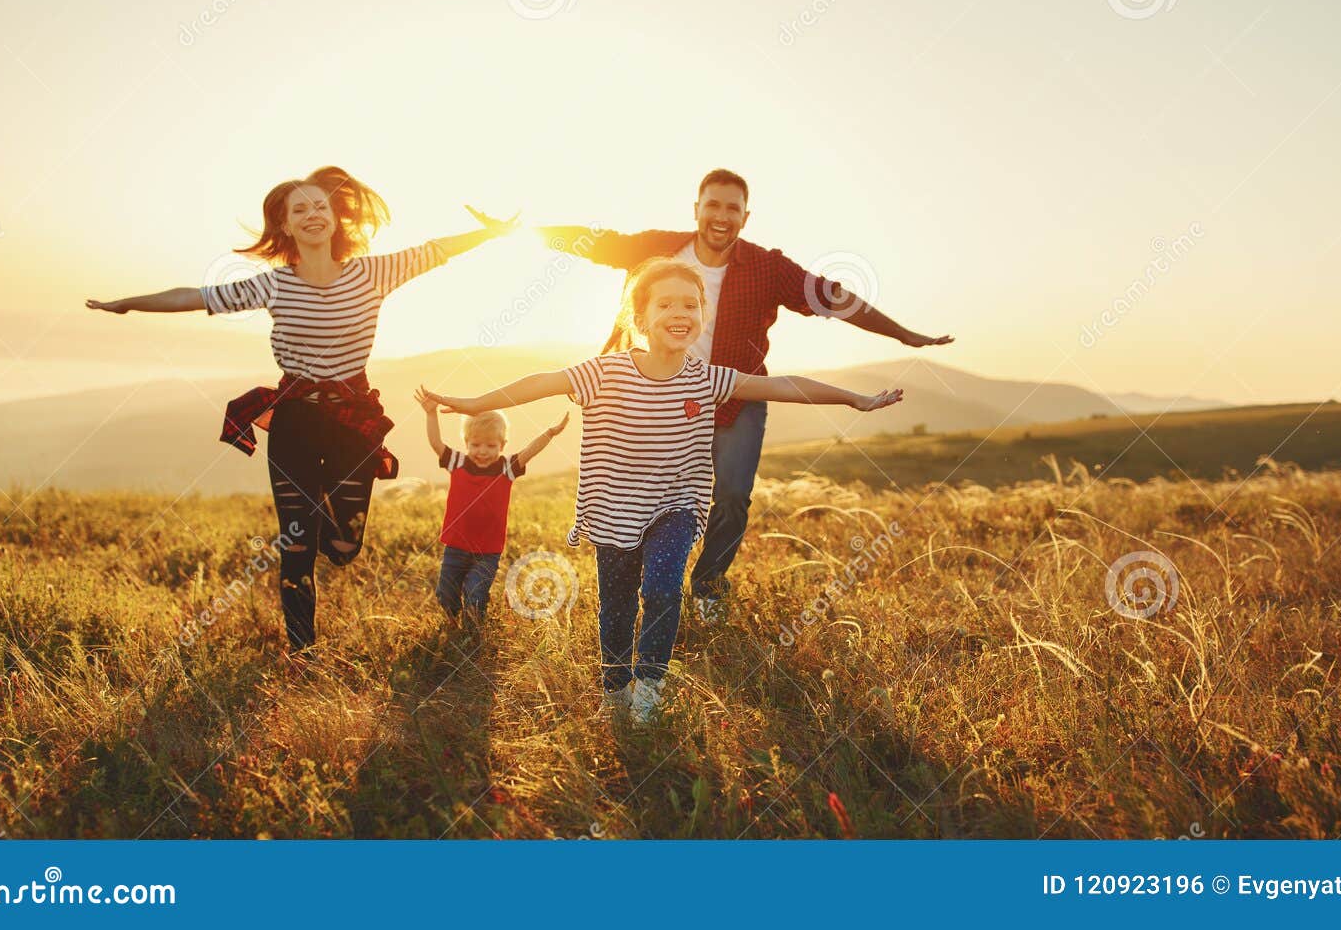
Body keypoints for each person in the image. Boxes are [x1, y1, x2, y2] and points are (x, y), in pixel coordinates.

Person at [414, 257, 902, 724]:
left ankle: (649, 688)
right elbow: (541, 382)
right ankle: (615, 689)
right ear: (640, 317)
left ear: (701, 319)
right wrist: (472, 402)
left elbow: (785, 385)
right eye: (666, 303)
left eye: (690, 304)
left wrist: (852, 397)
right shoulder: (604, 372)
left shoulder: (708, 379)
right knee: (618, 605)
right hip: (613, 512)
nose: (679, 312)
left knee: (664, 589)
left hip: (676, 507)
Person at [86, 165, 517, 657]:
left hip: (352, 423)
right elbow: (194, 296)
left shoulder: (372, 273)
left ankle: (317, 532)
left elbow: (436, 251)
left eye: (320, 206)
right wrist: (127, 304)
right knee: (295, 544)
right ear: (286, 226)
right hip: (293, 420)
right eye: (299, 210)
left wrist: (493, 231)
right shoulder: (273, 285)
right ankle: (302, 652)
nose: (312, 214)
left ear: (335, 219)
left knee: (343, 548)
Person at [534, 169, 951, 623]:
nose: (721, 216)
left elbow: (834, 296)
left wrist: (904, 335)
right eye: (712, 205)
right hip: (657, 396)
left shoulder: (767, 267)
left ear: (745, 217)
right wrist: (519, 230)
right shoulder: (659, 248)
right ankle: (642, 583)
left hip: (737, 394)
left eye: (732, 208)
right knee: (645, 493)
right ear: (696, 209)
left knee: (732, 495)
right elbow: (596, 243)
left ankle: (709, 585)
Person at [417, 397, 567, 623]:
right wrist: (431, 414)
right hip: (455, 548)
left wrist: (550, 433)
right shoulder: (457, 461)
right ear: (466, 442)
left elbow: (529, 451)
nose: (483, 451)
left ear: (502, 445)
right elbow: (436, 443)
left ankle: (473, 629)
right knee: (445, 594)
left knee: (475, 593)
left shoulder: (506, 468)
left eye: (490, 446)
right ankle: (451, 624)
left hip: (488, 552)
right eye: (475, 445)